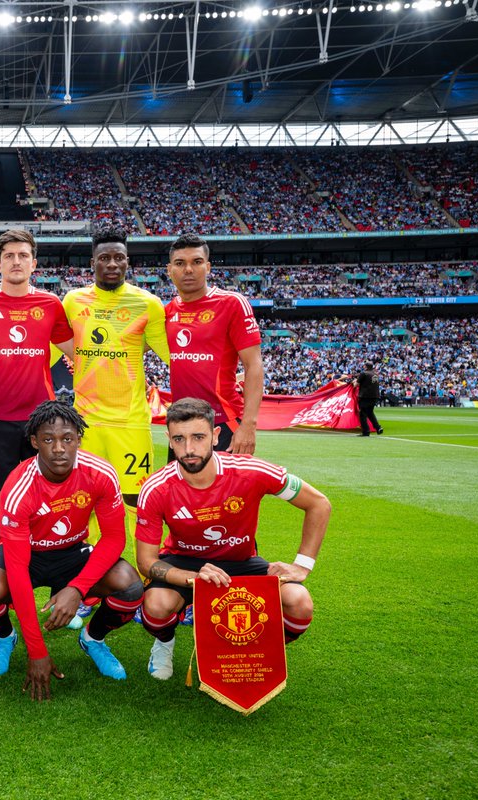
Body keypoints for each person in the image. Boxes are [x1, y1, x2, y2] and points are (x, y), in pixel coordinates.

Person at [135, 398, 329, 680]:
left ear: (215, 436)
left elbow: (319, 504)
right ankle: (164, 642)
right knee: (156, 606)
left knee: (299, 603)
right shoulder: (156, 488)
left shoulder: (251, 471)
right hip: (184, 562)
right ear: (169, 440)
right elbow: (146, 562)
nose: (189, 449)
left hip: (240, 561)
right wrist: (193, 579)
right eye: (179, 439)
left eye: (198, 437)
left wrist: (302, 565)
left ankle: (254, 649)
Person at [0, 401, 145, 701]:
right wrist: (36, 651)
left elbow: (114, 538)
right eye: (49, 439)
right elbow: (18, 571)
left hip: (73, 552)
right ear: (35, 442)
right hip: (28, 554)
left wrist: (76, 589)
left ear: (79, 437)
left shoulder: (100, 473)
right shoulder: (18, 485)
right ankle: (5, 637)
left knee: (129, 586)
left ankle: (93, 639)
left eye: (67, 438)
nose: (59, 448)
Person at [0, 229, 74, 570]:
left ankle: (46, 564)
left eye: (23, 256)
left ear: (34, 263)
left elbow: (76, 351)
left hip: (41, 419)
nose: (17, 261)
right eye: (10, 256)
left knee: (46, 493)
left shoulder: (50, 304)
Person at [63, 224, 170, 506]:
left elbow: (172, 354)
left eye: (118, 258)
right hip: (86, 422)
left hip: (131, 422)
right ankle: (95, 552)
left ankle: (137, 553)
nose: (112, 264)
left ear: (127, 262)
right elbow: (45, 350)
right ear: (92, 264)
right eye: (104, 258)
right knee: (85, 500)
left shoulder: (148, 304)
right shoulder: (73, 301)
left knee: (135, 501)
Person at [164, 232, 264, 454]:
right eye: (180, 263)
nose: (188, 269)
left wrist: (249, 425)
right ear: (169, 270)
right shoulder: (167, 311)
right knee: (181, 489)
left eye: (196, 262)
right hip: (181, 424)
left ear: (208, 267)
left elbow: (254, 365)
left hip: (223, 423)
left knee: (227, 490)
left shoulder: (231, 303)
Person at [354, 361, 385, 436]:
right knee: (370, 412)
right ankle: (378, 427)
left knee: (362, 414)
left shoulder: (364, 373)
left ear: (365, 366)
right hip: (375, 396)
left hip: (365, 396)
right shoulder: (375, 374)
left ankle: (366, 431)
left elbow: (356, 385)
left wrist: (355, 380)